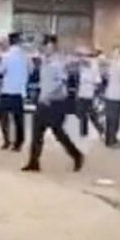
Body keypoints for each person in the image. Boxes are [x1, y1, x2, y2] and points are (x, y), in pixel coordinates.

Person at [23, 34, 83, 172]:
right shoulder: (45, 62)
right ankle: (33, 162)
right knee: (36, 133)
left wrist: (49, 96)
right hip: (42, 101)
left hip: (55, 103)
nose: (46, 48)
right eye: (45, 46)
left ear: (54, 46)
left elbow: (62, 84)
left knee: (58, 133)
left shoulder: (58, 64)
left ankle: (76, 155)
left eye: (49, 45)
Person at [0, 32, 28, 151]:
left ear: (10, 42)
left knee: (2, 116)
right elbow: (32, 70)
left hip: (7, 90)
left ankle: (7, 140)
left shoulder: (6, 56)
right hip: (19, 91)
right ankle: (19, 142)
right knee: (18, 118)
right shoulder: (25, 56)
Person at [75, 48, 102, 138]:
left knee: (92, 114)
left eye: (86, 56)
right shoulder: (82, 66)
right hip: (82, 92)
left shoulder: (94, 65)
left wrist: (95, 93)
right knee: (82, 114)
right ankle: (83, 132)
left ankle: (100, 129)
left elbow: (98, 81)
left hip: (90, 92)